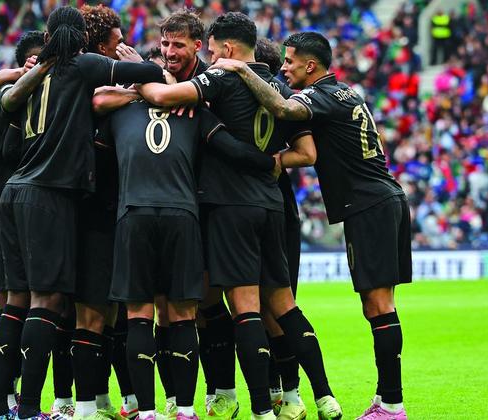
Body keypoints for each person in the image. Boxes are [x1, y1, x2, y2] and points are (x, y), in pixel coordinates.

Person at [138, 13, 341, 420]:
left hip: (230, 206)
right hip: (272, 206)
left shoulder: (223, 77)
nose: (211, 58)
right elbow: (306, 152)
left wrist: (138, 71)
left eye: (212, 51)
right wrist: (269, 163)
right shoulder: (281, 87)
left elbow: (163, 98)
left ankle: (262, 410)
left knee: (245, 310)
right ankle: (323, 397)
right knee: (284, 307)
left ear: (227, 49)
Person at [212, 31, 411, 420]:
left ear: (310, 65)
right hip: (382, 199)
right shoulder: (346, 93)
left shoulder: (317, 97)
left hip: (369, 205)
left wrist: (240, 68)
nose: (283, 68)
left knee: (379, 305)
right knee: (378, 305)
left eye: (289, 61)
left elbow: (282, 109)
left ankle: (392, 404)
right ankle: (386, 400)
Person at [0, 6, 165, 420]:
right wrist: (135, 64)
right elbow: (150, 76)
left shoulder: (35, 77)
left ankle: (0, 405)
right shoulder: (81, 65)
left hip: (14, 192)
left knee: (17, 303)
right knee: (47, 302)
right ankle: (31, 409)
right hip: (49, 194)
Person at [102, 57, 281, 420]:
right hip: (182, 215)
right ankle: (185, 410)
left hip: (133, 213)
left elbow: (98, 152)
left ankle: (148, 411)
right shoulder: (194, 112)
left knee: (138, 316)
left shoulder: (119, 114)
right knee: (183, 315)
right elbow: (231, 148)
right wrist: (271, 163)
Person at [71, 5, 136, 419]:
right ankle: (82, 405)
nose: (123, 47)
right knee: (92, 312)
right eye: (116, 42)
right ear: (98, 47)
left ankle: (104, 399)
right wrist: (140, 79)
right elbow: (97, 101)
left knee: (115, 312)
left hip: (116, 210)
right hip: (92, 212)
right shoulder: (86, 84)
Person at [0, 32, 51, 420]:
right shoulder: (9, 97)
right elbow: (10, 151)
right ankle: (1, 402)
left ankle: (11, 401)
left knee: (28, 307)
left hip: (22, 208)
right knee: (11, 306)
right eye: (36, 60)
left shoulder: (46, 98)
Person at [256, 37, 305, 415]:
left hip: (266, 212)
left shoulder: (280, 99)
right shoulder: (285, 101)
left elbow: (307, 153)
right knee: (277, 307)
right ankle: (289, 391)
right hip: (282, 212)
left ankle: (283, 389)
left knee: (263, 309)